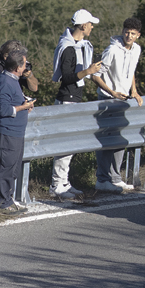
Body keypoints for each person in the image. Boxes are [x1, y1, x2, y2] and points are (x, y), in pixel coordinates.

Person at [50, 10, 106, 199]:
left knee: (70, 144)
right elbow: (66, 78)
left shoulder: (80, 46)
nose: (92, 27)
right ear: (83, 26)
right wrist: (88, 71)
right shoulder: (68, 48)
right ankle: (57, 184)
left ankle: (63, 182)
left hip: (73, 98)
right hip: (67, 99)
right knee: (65, 144)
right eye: (90, 24)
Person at [0, 39, 39, 206]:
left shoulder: (13, 80)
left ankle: (8, 200)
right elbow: (4, 110)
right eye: (24, 64)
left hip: (16, 131)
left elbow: (31, 89)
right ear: (16, 66)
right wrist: (23, 107)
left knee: (13, 169)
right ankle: (2, 203)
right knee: (6, 169)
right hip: (8, 131)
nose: (26, 67)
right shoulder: (4, 81)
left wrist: (24, 104)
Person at [95, 17, 144, 193]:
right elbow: (96, 75)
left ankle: (115, 178)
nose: (128, 36)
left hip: (123, 99)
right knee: (105, 140)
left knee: (119, 140)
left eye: (132, 33)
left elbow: (131, 71)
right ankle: (102, 179)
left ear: (138, 35)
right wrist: (112, 92)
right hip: (107, 99)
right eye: (126, 32)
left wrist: (135, 91)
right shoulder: (112, 50)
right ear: (122, 31)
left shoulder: (136, 49)